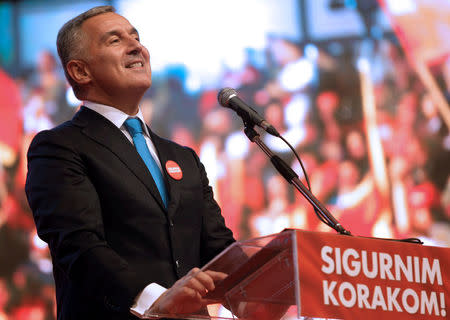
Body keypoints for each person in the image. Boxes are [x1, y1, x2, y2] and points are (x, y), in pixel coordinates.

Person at [25, 6, 235, 320]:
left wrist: (270, 275)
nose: (137, 46)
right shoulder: (59, 148)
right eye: (115, 40)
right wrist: (157, 299)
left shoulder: (183, 158)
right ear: (81, 71)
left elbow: (220, 250)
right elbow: (80, 245)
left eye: (136, 37)